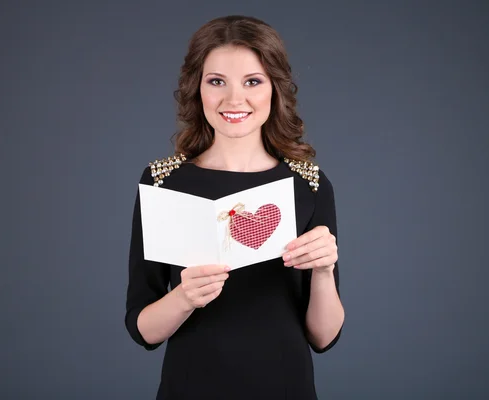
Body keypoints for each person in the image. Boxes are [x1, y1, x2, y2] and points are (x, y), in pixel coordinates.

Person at [125, 15, 344, 400]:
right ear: (198, 88)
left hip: (286, 388)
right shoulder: (163, 182)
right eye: (216, 82)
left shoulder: (308, 184)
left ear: (275, 89)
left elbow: (324, 337)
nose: (233, 100)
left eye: (252, 81)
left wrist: (324, 271)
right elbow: (142, 328)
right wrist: (184, 298)